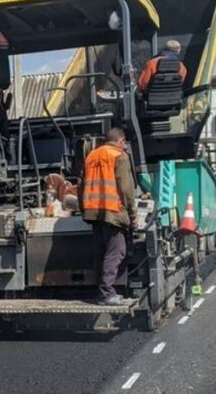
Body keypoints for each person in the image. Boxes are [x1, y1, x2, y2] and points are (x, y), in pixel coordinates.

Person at [81, 128, 138, 306]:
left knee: (101, 252)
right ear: (121, 141)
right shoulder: (119, 156)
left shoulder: (91, 156)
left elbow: (81, 185)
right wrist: (132, 215)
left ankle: (100, 291)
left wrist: (84, 209)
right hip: (112, 210)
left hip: (93, 211)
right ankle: (106, 293)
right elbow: (126, 189)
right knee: (116, 251)